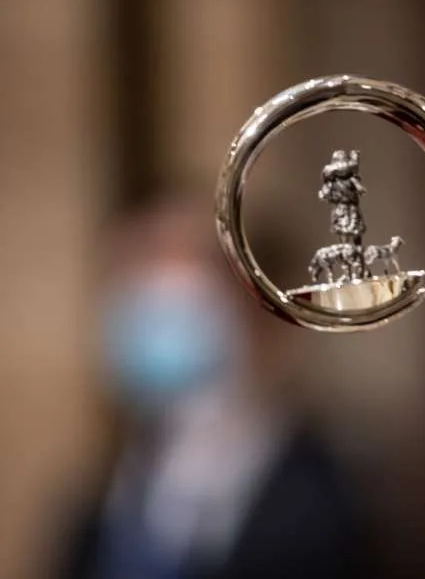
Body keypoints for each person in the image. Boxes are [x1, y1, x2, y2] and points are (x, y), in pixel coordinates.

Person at [57, 193, 365, 579]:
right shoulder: (102, 498)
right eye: (130, 271)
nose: (150, 296)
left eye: (179, 260)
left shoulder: (334, 502)